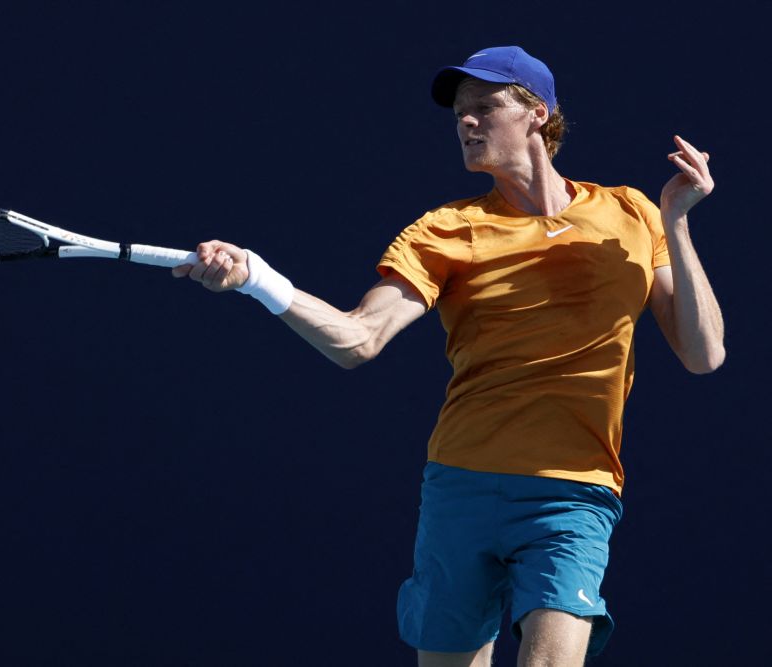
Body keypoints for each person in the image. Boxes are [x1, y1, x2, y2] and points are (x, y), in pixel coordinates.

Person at [172, 45, 724, 666]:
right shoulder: (444, 229)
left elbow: (704, 353)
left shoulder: (632, 213)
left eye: (484, 106)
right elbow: (358, 339)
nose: (466, 121)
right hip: (461, 487)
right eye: (460, 111)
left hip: (572, 492)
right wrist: (258, 279)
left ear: (537, 113)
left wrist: (676, 222)